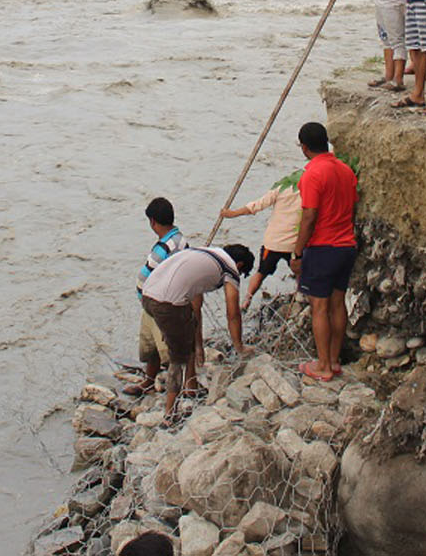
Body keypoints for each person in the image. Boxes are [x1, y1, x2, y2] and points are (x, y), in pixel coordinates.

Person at [139, 241, 255, 418]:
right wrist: (239, 346)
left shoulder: (205, 254)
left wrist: (199, 346)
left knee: (186, 327)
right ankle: (169, 414)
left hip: (147, 295)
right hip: (166, 304)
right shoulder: (230, 268)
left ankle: (190, 386)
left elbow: (194, 310)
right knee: (177, 357)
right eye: (242, 273)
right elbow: (233, 313)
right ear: (239, 265)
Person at [291, 121, 359, 382]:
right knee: (337, 303)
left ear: (305, 147)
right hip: (346, 245)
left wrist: (298, 253)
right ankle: (333, 359)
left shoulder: (312, 174)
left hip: (323, 247)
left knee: (319, 306)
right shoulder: (345, 170)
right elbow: (353, 208)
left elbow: (309, 216)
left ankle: (322, 366)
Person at [125, 197, 188, 397]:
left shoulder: (165, 247)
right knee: (151, 345)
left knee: (164, 348)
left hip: (159, 303)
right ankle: (150, 382)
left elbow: (150, 272)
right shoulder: (180, 240)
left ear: (153, 221)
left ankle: (174, 390)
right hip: (158, 301)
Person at [218, 168, 303, 308]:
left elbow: (256, 206)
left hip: (273, 242)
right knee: (300, 270)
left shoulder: (281, 188)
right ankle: (300, 294)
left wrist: (231, 214)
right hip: (293, 243)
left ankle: (247, 300)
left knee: (261, 272)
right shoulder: (309, 191)